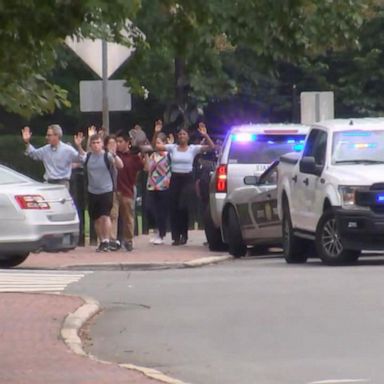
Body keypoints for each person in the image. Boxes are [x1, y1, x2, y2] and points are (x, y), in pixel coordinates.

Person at [156, 122, 215, 245]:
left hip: (187, 179)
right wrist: (156, 132)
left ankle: (184, 235)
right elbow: (156, 147)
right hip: (175, 178)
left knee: (183, 207)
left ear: (188, 137)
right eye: (180, 134)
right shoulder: (172, 148)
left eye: (184, 134)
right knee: (174, 207)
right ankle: (176, 237)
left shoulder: (193, 149)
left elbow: (211, 147)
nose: (182, 136)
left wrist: (205, 135)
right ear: (178, 137)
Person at [76, 133, 123, 252]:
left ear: (102, 144)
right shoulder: (89, 157)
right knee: (95, 218)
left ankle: (107, 240)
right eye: (94, 143)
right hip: (92, 191)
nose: (96, 145)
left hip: (106, 190)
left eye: (98, 143)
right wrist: (78, 146)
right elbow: (81, 156)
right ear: (91, 145)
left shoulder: (107, 156)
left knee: (105, 216)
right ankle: (102, 241)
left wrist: (114, 154)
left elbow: (120, 165)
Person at [21, 124, 84, 189]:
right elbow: (33, 154)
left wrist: (79, 146)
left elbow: (82, 159)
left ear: (57, 136)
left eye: (49, 135)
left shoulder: (67, 149)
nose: (46, 137)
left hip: (62, 185)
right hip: (48, 183)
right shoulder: (45, 149)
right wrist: (27, 142)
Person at [115, 130, 145, 252]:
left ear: (128, 142)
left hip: (127, 190)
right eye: (117, 141)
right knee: (113, 216)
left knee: (128, 217)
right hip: (114, 190)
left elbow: (145, 168)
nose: (118, 144)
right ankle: (114, 240)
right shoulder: (114, 155)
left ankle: (128, 240)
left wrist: (146, 155)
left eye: (120, 141)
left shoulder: (133, 157)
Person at [144, 122, 172, 245]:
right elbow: (147, 168)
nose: (157, 145)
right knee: (151, 209)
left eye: (160, 142)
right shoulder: (153, 155)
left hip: (164, 186)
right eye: (157, 143)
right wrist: (155, 132)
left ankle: (161, 233)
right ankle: (156, 231)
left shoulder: (168, 155)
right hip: (152, 185)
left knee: (161, 211)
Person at [103, 134, 121, 251]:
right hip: (103, 189)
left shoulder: (114, 157)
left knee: (114, 215)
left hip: (113, 189)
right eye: (110, 144)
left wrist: (114, 154)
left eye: (114, 144)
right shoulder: (103, 156)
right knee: (104, 216)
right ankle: (105, 238)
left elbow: (120, 165)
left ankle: (112, 239)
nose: (113, 146)